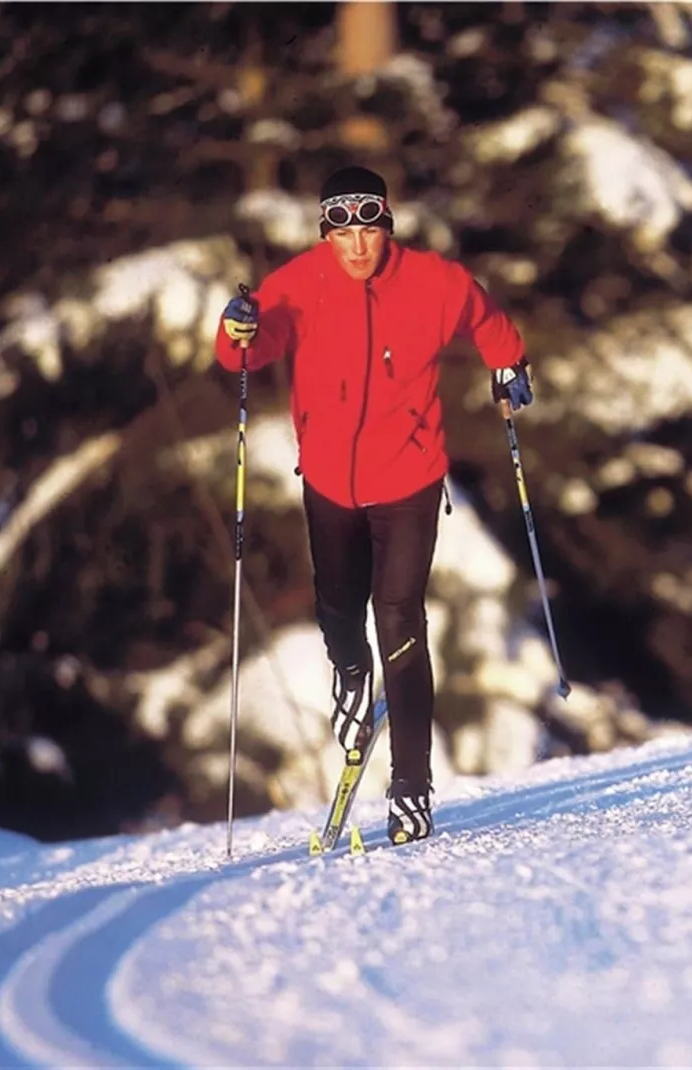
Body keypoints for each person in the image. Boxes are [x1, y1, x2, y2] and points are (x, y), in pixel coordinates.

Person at [215, 165, 533, 844]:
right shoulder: (299, 283)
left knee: (401, 623)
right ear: (326, 235)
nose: (357, 247)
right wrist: (235, 327)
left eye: (369, 230)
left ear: (386, 225)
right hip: (329, 480)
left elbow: (487, 317)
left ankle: (412, 789)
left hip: (410, 480)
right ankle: (350, 675)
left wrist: (509, 365)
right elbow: (247, 346)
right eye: (343, 233)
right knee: (337, 610)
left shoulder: (434, 282)